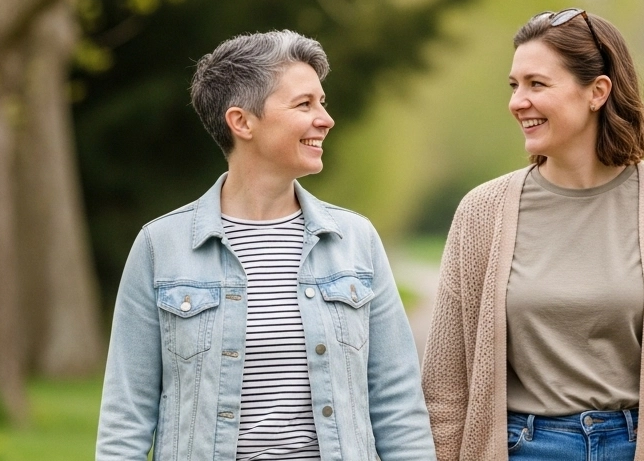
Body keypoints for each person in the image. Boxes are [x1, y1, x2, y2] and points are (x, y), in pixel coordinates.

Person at [421, 9, 644, 461]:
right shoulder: (483, 212)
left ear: (597, 92)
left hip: (643, 448)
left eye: (537, 84)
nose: (518, 101)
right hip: (523, 449)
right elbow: (445, 384)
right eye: (514, 86)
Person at [96, 30, 433, 461]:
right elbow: (126, 417)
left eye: (322, 103)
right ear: (242, 122)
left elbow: (397, 406)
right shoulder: (160, 247)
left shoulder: (356, 241)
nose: (326, 119)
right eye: (304, 104)